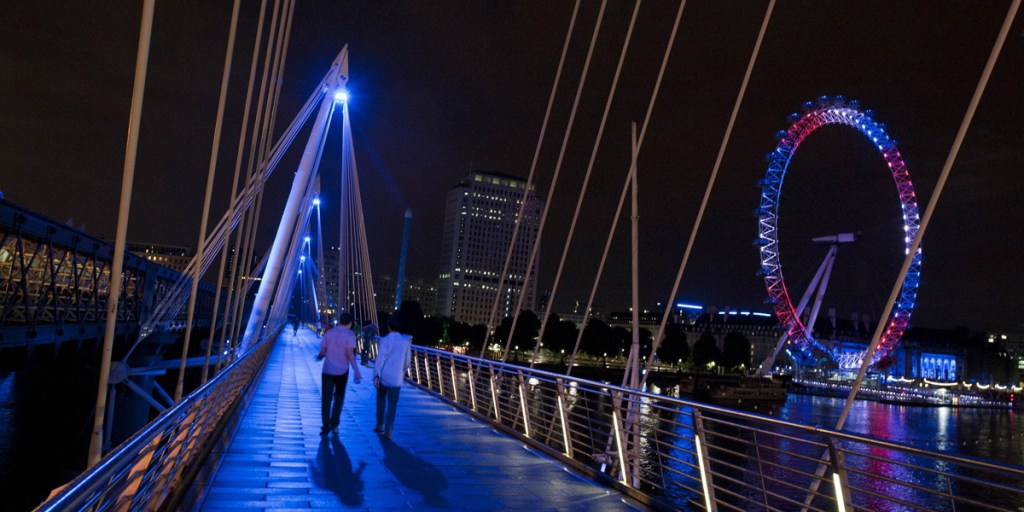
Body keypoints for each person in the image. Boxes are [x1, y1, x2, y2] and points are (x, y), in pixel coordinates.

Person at [317, 313, 361, 436]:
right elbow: (350, 354)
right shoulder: (350, 335)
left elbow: (322, 351)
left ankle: (325, 426)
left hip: (327, 370)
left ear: (340, 320)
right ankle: (334, 424)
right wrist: (356, 371)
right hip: (342, 371)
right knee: (339, 398)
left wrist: (319, 357)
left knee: (326, 399)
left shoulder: (329, 333)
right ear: (350, 323)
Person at [373, 315, 412, 438]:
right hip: (396, 377)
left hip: (384, 375)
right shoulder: (405, 341)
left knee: (381, 401)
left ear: (389, 327)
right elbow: (407, 360)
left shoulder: (385, 340)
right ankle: (389, 429)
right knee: (392, 404)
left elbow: (380, 359)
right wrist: (403, 371)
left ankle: (380, 426)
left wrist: (376, 375)